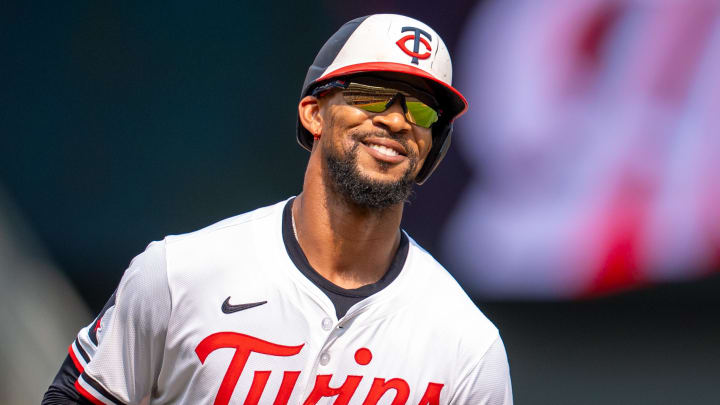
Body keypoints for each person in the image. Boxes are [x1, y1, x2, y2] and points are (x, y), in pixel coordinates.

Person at [43, 14, 513, 405]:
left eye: (423, 110)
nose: (395, 119)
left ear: (433, 148)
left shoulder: (466, 344)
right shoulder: (177, 274)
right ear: (313, 113)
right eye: (370, 93)